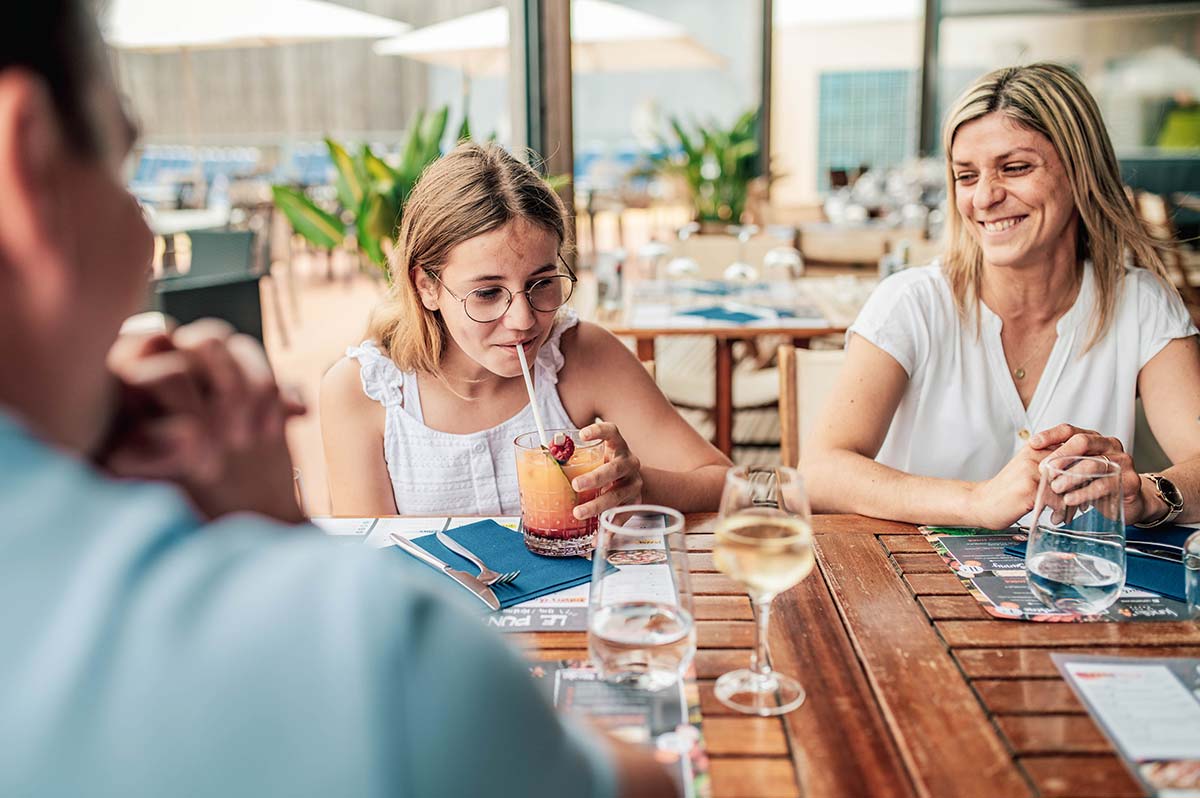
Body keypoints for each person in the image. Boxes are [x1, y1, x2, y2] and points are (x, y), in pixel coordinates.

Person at [0, 3, 676, 796]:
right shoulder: (380, 655)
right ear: (29, 165)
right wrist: (274, 543)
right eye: (122, 169)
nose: (145, 235)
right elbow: (647, 787)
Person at [802, 63, 1200, 530]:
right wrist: (975, 501)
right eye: (966, 177)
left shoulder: (1142, 304)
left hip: (1070, 587)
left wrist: (1149, 495)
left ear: (1080, 173)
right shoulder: (910, 303)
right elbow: (820, 471)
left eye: (1015, 168)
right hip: (908, 583)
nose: (985, 197)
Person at [321, 142, 730, 516]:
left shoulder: (583, 355)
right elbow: (368, 567)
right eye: (486, 293)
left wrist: (640, 486)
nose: (523, 320)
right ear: (426, 286)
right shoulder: (364, 393)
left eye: (542, 283)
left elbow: (726, 482)